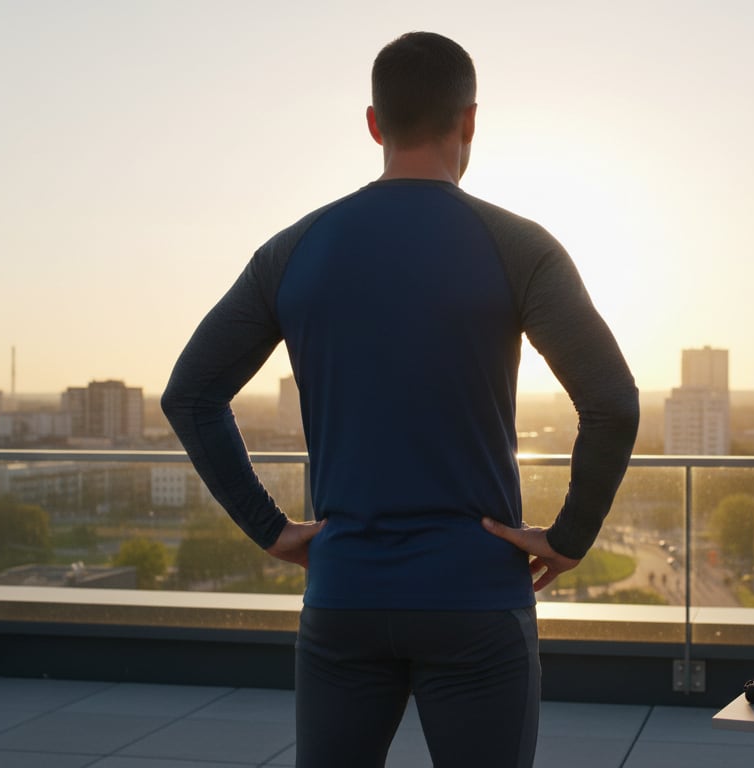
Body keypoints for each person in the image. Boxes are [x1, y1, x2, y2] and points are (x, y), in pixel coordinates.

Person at [161, 31, 639, 768]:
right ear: (470, 121)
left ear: (375, 124)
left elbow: (190, 396)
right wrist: (569, 537)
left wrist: (272, 529)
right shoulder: (519, 246)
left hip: (344, 596)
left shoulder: (293, 250)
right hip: (476, 598)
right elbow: (611, 402)